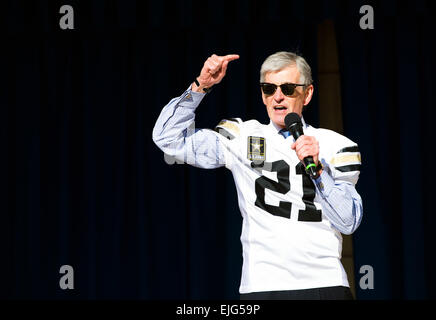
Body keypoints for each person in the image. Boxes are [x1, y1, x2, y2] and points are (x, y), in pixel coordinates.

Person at [152, 51, 363, 300]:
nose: (278, 97)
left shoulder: (335, 145)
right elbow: (169, 139)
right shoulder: (242, 136)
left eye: (288, 88)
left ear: (307, 94)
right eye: (268, 88)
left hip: (324, 284)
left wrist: (318, 172)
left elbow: (348, 221)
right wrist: (200, 86)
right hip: (262, 287)